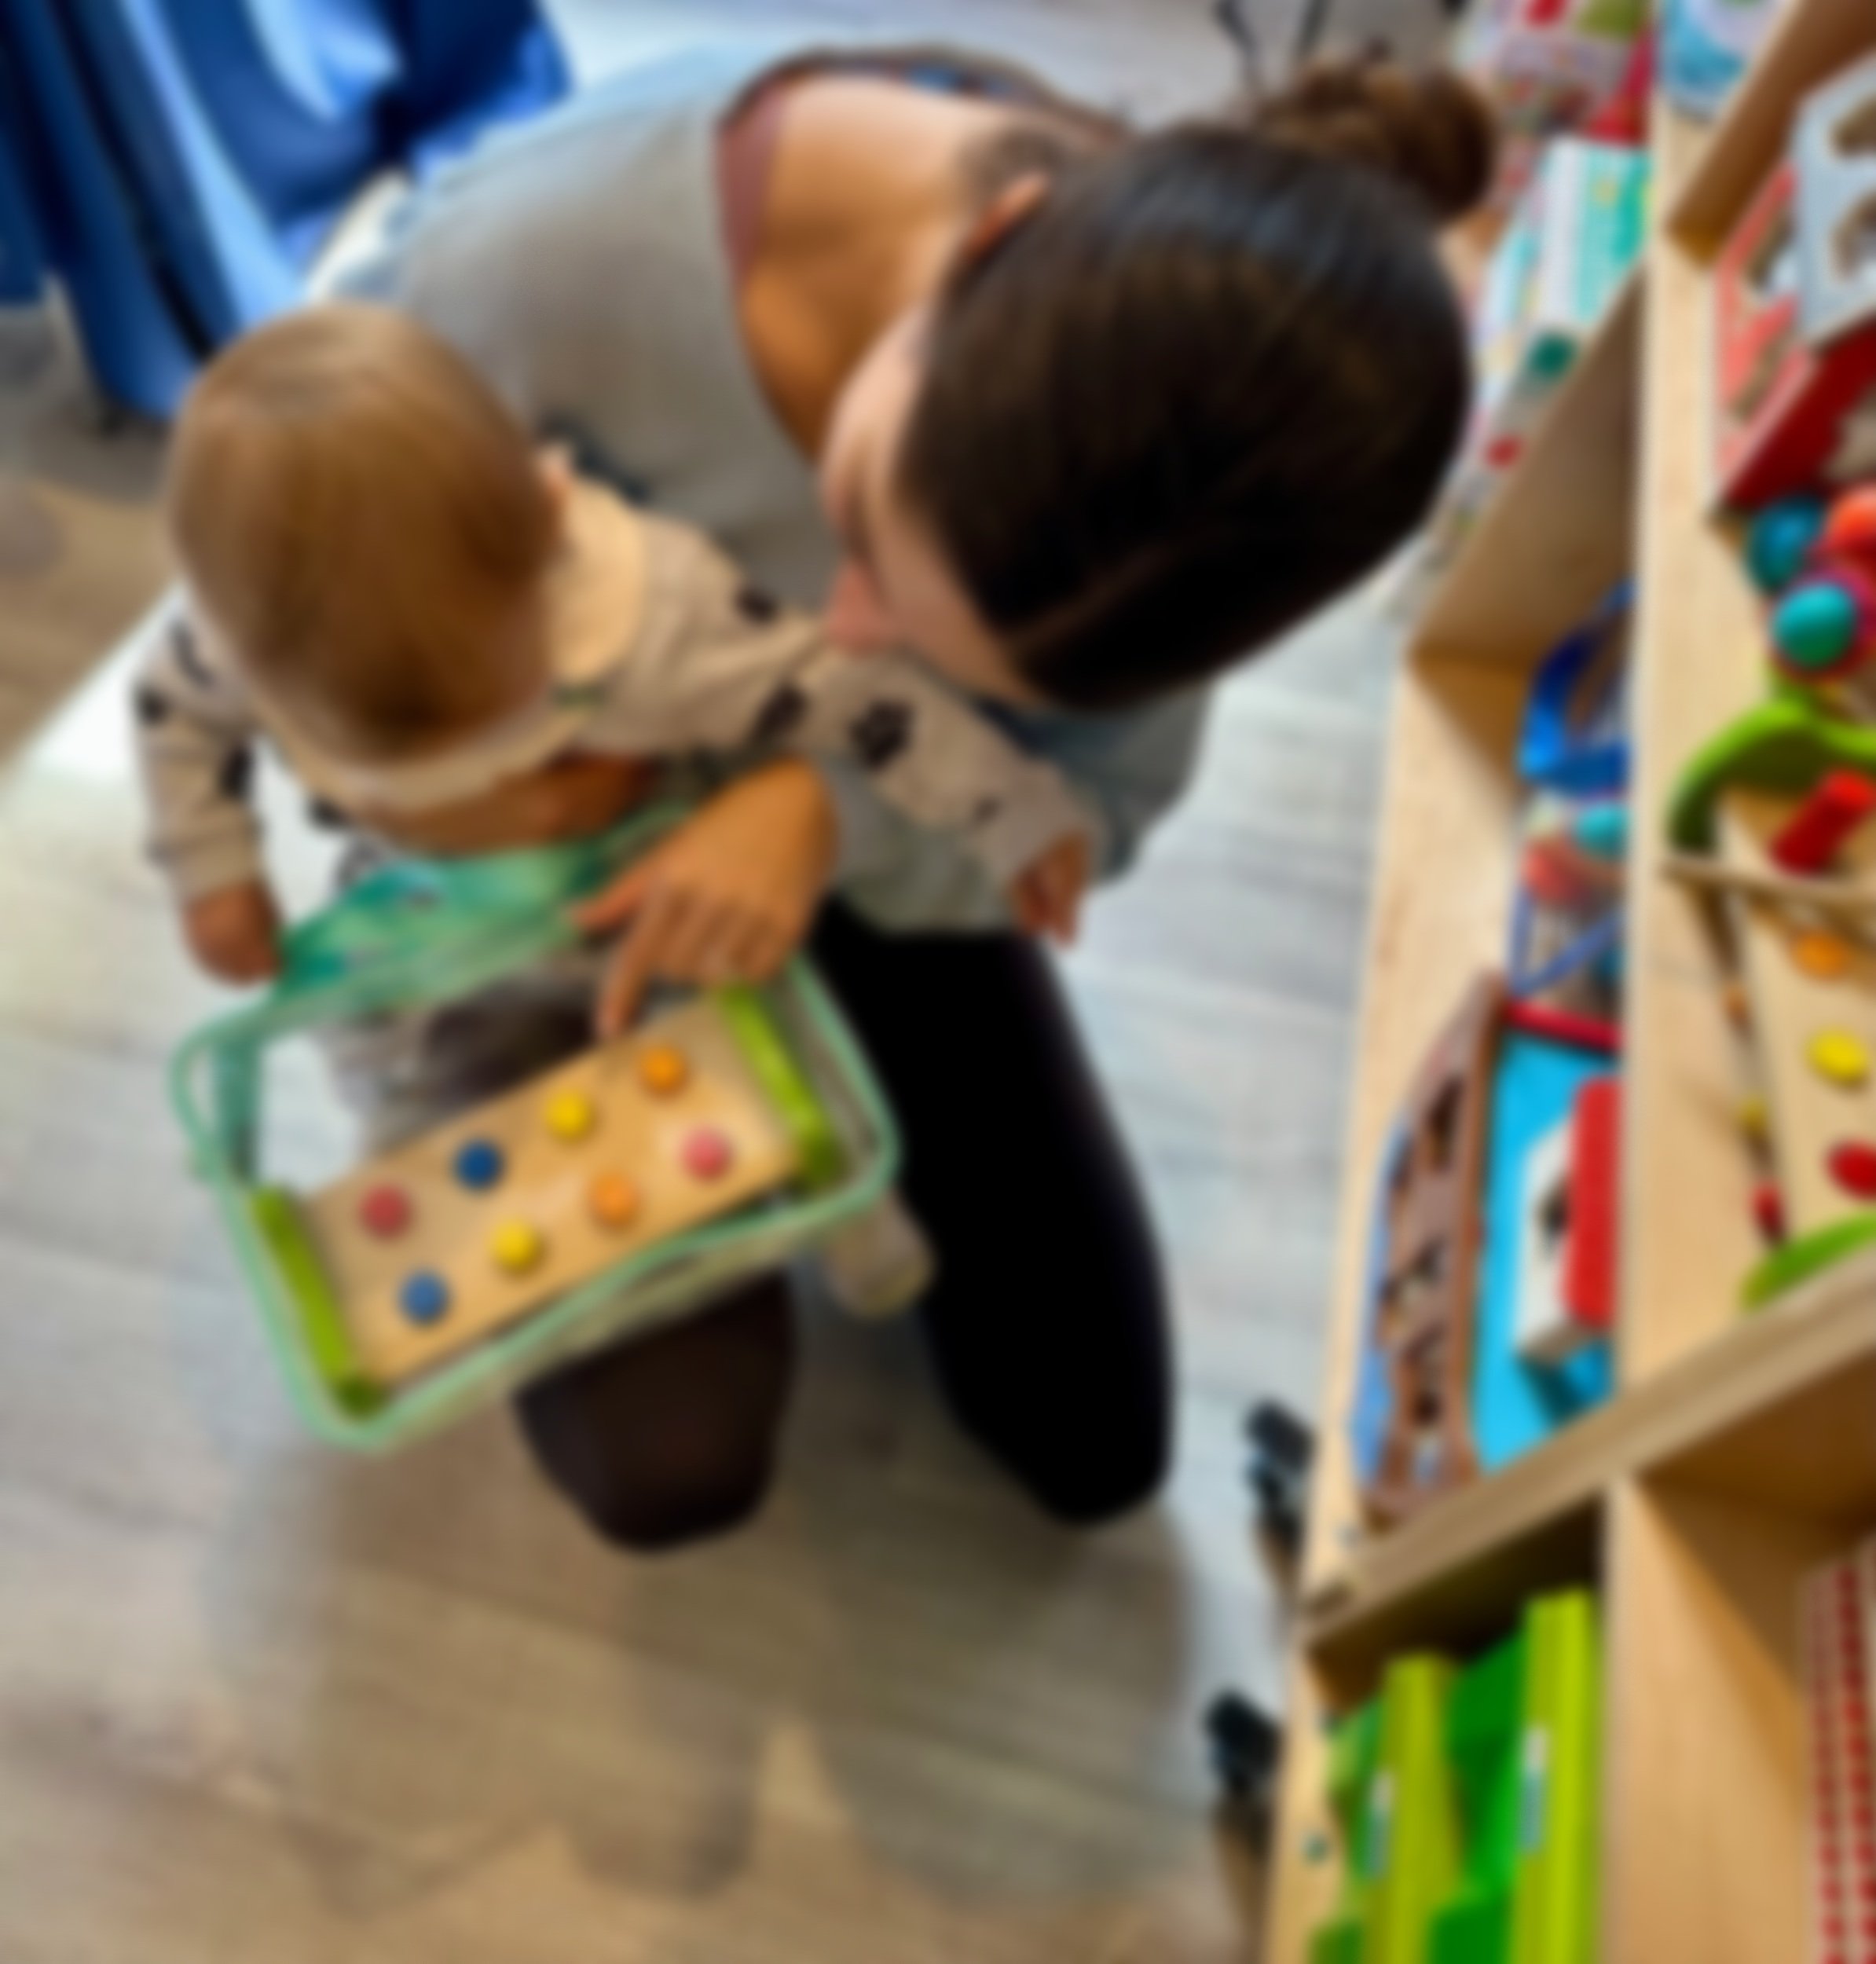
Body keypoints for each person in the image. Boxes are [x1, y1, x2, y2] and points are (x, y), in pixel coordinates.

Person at [324, 37, 1495, 1551]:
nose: (851, 636)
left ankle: (796, 1090)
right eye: (865, 519)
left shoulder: (1181, 486)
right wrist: (480, 815)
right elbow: (308, 637)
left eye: (981, 672)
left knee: (1094, 1448)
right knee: (670, 1462)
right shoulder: (528, 268)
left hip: (863, 856)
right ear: (990, 243)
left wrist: (825, 811)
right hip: (559, 846)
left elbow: (1095, 813)